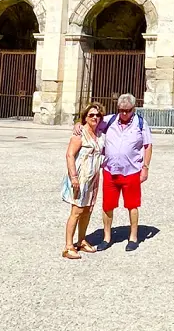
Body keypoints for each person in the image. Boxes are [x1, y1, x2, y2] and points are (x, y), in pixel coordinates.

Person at [99, 93, 152, 251]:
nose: (123, 113)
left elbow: (148, 145)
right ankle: (107, 237)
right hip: (110, 170)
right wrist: (78, 125)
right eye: (121, 110)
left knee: (132, 205)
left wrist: (145, 168)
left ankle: (133, 237)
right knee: (107, 205)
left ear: (133, 109)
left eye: (127, 110)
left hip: (131, 171)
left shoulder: (141, 123)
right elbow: (91, 124)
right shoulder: (110, 120)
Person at [60, 104, 105, 259]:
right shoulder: (80, 134)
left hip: (93, 179)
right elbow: (69, 155)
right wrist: (73, 177)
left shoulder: (99, 134)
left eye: (97, 115)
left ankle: (81, 240)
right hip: (80, 178)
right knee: (77, 211)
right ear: (85, 116)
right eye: (91, 115)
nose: (94, 117)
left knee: (87, 210)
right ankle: (68, 246)